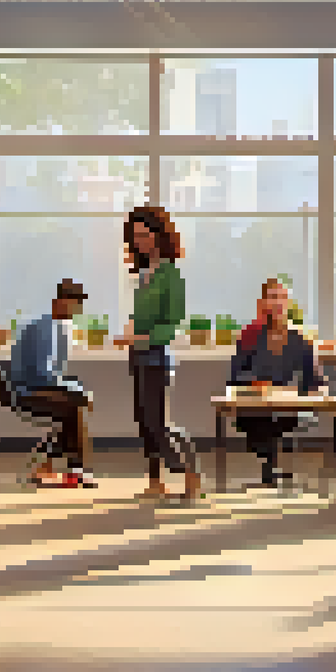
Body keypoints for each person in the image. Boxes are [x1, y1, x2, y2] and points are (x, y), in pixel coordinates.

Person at [0, 279, 94, 488]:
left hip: (33, 386)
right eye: (74, 302)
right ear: (59, 301)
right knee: (74, 406)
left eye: (79, 303)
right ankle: (73, 471)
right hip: (24, 390)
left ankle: (49, 467)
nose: (77, 308)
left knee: (72, 407)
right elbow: (42, 374)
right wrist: (77, 390)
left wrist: (75, 389)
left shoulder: (57, 327)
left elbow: (51, 375)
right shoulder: (45, 328)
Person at [121, 206, 200, 500]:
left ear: (159, 234)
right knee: (144, 423)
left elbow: (174, 324)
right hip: (137, 355)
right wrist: (130, 330)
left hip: (156, 358)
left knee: (158, 423)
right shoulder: (143, 273)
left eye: (146, 233)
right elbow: (143, 317)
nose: (141, 240)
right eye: (136, 235)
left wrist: (141, 335)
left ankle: (189, 474)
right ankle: (156, 483)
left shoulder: (170, 273)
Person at [228, 277, 327, 489]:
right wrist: (257, 385)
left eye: (283, 297)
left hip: (288, 405)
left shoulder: (300, 337)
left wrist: (305, 391)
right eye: (273, 297)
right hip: (254, 403)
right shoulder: (249, 336)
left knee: (274, 418)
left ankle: (270, 468)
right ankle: (269, 465)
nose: (278, 302)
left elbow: (315, 380)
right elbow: (235, 376)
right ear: (263, 302)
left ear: (289, 303)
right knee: (259, 418)